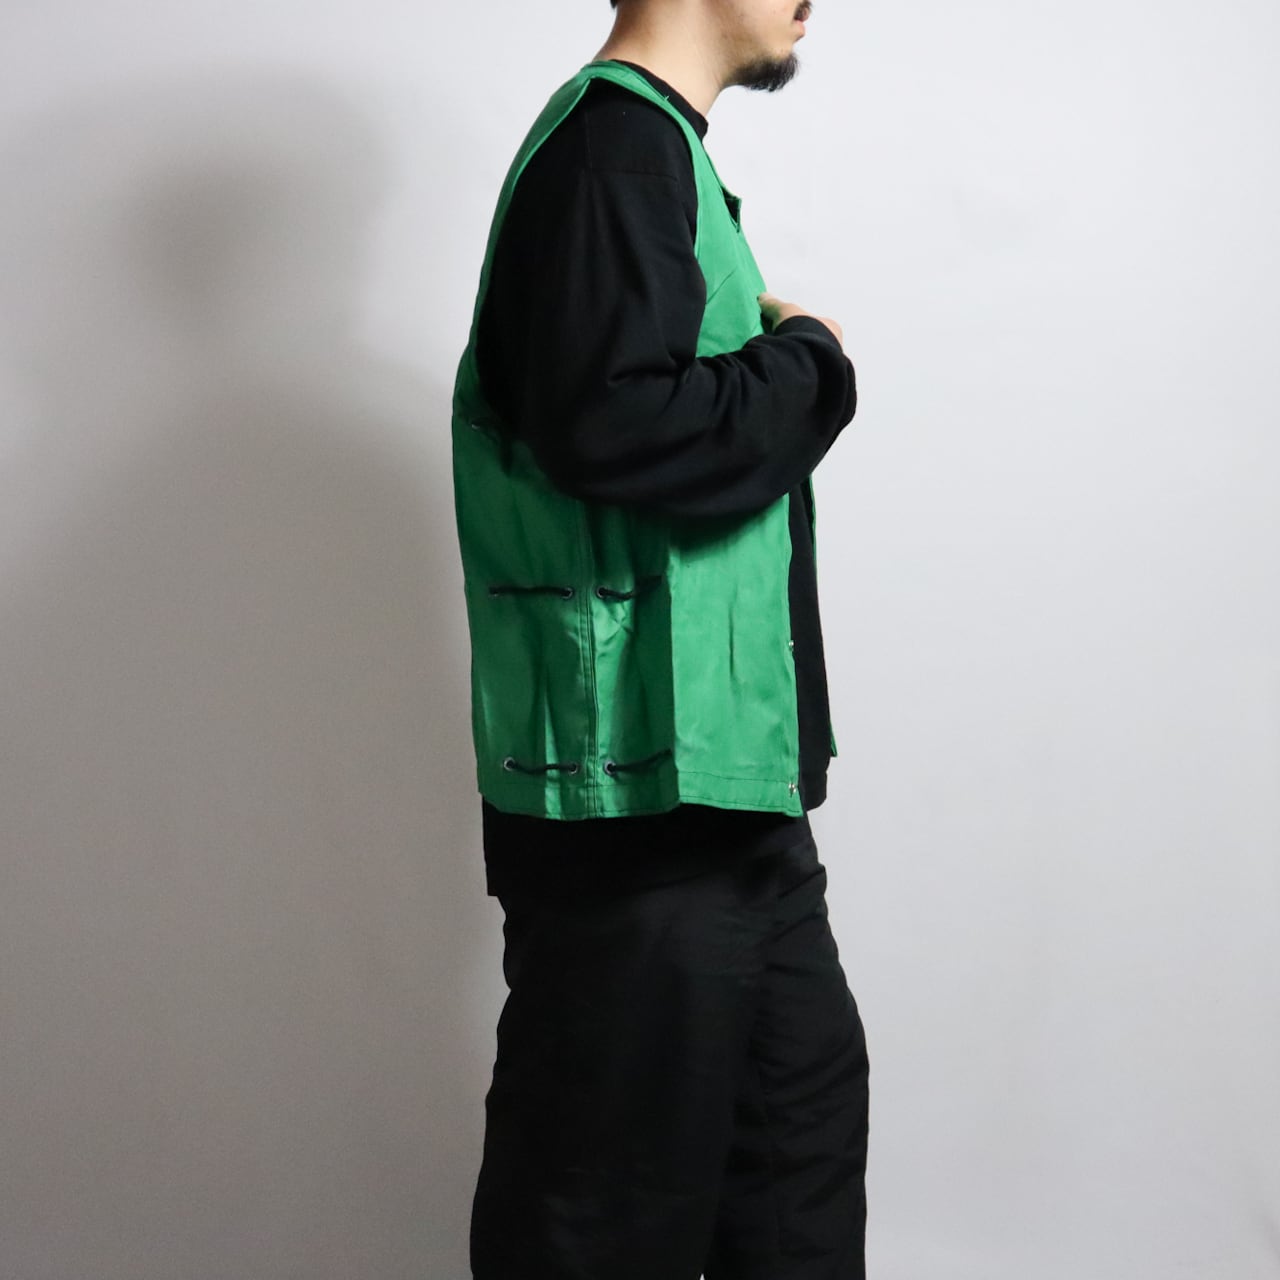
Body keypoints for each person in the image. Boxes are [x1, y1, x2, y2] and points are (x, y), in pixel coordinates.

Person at [450, 1, 870, 1276]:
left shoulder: (653, 151)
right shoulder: (611, 151)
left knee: (790, 1179)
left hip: (724, 805)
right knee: (600, 1211)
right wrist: (810, 363)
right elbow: (615, 422)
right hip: (634, 818)